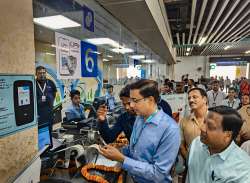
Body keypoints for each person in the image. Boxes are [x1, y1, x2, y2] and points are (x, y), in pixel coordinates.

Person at [100, 79, 180, 183]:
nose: (131, 105)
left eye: (135, 100)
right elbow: (136, 151)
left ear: (150, 100)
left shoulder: (170, 129)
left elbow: (158, 174)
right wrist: (118, 152)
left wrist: (122, 159)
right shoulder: (140, 118)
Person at [186, 106, 250, 183]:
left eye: (210, 126)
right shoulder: (196, 144)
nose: (202, 128)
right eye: (204, 122)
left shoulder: (242, 168)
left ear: (227, 135)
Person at [179, 88, 208, 160]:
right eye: (189, 98)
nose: (191, 100)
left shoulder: (216, 120)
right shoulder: (184, 121)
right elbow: (181, 146)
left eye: (194, 97)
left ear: (204, 99)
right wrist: (189, 161)